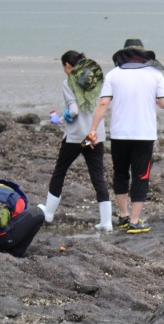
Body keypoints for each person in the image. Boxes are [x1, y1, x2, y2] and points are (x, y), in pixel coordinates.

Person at [89, 39, 164, 234]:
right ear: (143, 54)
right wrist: (155, 99)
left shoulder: (113, 75)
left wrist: (93, 129)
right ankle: (135, 220)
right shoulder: (155, 74)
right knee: (141, 175)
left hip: (119, 133)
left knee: (120, 173)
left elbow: (103, 104)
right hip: (144, 133)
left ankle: (123, 215)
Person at [38, 51, 111, 229]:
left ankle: (48, 213)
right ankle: (106, 222)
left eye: (64, 67)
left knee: (60, 171)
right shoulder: (97, 82)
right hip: (93, 137)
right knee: (97, 176)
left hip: (76, 138)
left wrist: (60, 120)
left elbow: (74, 111)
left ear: (68, 66)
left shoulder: (68, 82)